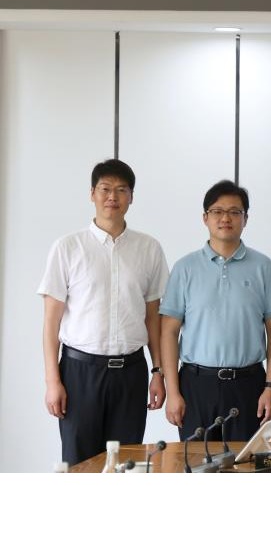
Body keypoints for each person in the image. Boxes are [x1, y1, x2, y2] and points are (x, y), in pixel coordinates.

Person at [39, 159, 169, 465]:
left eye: (121, 190)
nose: (113, 196)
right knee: (79, 463)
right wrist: (53, 381)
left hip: (131, 372)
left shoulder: (149, 248)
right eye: (105, 189)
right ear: (92, 194)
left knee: (126, 463)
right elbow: (51, 322)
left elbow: (154, 318)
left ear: (131, 197)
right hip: (79, 373)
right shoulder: (67, 247)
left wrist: (158, 373)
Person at [160, 180, 271, 442]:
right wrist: (173, 391)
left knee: (244, 461)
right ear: (205, 218)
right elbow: (169, 332)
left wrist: (270, 387)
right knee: (195, 461)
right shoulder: (185, 268)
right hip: (196, 384)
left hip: (248, 384)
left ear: (245, 219)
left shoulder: (263, 267)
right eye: (217, 211)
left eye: (234, 212)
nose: (225, 218)